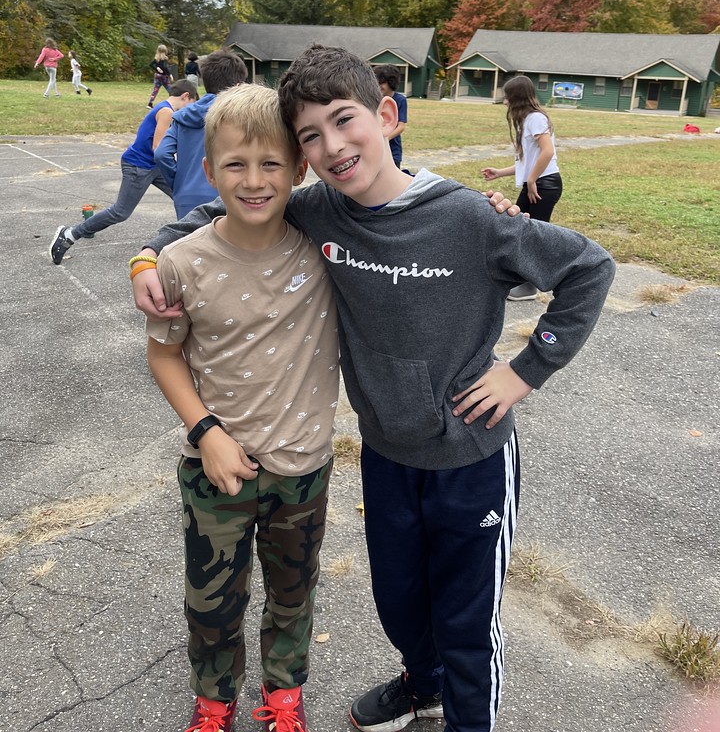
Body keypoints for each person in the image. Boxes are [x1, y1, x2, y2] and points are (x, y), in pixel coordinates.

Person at [131, 45, 615, 732]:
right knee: (399, 601)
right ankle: (422, 685)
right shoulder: (320, 212)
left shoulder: (470, 218)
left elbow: (589, 269)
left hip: (469, 460)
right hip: (387, 456)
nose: (332, 145)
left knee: (466, 620)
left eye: (344, 120)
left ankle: (466, 716)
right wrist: (147, 253)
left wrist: (524, 370)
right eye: (310, 136)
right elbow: (230, 211)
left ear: (386, 115)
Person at [144, 83, 339, 732]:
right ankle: (214, 696)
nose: (254, 181)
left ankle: (284, 693)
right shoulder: (181, 262)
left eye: (271, 165)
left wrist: (493, 207)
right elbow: (164, 355)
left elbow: (395, 204)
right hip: (213, 471)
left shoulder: (325, 246)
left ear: (299, 171)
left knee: (293, 595)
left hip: (303, 472)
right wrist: (206, 432)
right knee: (211, 603)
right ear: (208, 171)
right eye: (235, 165)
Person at [49, 80, 198, 265]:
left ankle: (192, 243)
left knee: (184, 196)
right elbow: (158, 148)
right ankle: (70, 234)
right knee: (120, 212)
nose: (190, 110)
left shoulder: (165, 109)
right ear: (185, 96)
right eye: (192, 104)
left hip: (153, 166)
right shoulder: (167, 112)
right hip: (139, 166)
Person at [482, 74, 563, 302]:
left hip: (544, 185)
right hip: (537, 183)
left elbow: (547, 152)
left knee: (530, 234)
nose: (504, 101)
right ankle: (519, 278)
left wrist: (533, 181)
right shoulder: (528, 120)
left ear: (517, 97)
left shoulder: (536, 118)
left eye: (507, 97)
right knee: (518, 227)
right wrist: (500, 172)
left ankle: (530, 286)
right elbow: (529, 162)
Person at [154, 49, 248, 219]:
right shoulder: (239, 115)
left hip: (186, 195)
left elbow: (161, 154)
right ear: (238, 85)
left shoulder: (182, 116)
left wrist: (178, 183)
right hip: (226, 194)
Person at [374, 65, 407, 167]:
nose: (379, 87)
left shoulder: (400, 100)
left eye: (382, 83)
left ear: (391, 82)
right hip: (376, 148)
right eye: (376, 83)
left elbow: (401, 126)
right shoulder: (374, 99)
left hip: (393, 151)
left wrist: (385, 138)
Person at [148, 44, 173, 108]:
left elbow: (151, 64)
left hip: (157, 76)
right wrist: (170, 74)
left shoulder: (156, 58)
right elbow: (165, 67)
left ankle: (150, 103)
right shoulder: (165, 58)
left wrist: (157, 68)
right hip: (163, 77)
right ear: (165, 51)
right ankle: (173, 102)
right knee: (170, 89)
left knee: (155, 90)